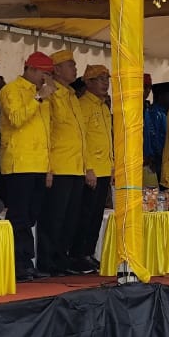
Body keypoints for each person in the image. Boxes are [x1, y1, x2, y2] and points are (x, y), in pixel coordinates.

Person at [0, 52, 56, 281]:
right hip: (19, 162)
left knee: (32, 214)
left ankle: (25, 261)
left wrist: (49, 167)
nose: (46, 78)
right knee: (19, 215)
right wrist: (39, 97)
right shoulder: (11, 90)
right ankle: (18, 263)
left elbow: (47, 133)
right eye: (44, 73)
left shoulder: (41, 94)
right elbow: (16, 119)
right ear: (31, 69)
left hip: (39, 164)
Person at [38, 49, 88, 277]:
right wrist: (48, 168)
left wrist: (86, 166)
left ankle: (62, 259)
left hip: (76, 166)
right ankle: (48, 261)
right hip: (59, 166)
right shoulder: (50, 93)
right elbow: (46, 132)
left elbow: (80, 135)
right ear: (56, 69)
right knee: (54, 217)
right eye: (70, 65)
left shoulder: (72, 95)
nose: (75, 69)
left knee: (71, 218)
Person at [74, 65, 113, 274]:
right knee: (85, 213)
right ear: (88, 82)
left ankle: (89, 253)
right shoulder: (83, 105)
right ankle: (79, 254)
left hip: (104, 168)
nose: (105, 83)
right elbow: (82, 140)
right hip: (91, 170)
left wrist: (112, 165)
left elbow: (107, 139)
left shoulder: (104, 107)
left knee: (97, 214)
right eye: (100, 79)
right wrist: (88, 168)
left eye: (107, 79)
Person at [144, 82, 169, 187]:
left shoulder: (166, 112)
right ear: (161, 96)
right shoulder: (155, 113)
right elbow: (153, 137)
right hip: (158, 160)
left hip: (164, 159)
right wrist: (156, 157)